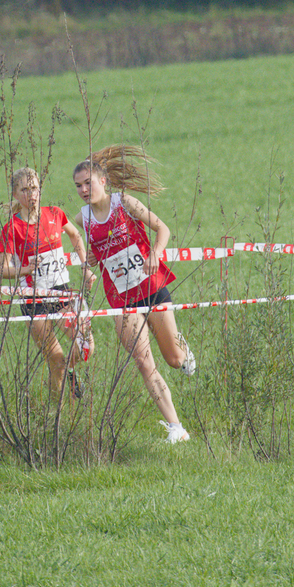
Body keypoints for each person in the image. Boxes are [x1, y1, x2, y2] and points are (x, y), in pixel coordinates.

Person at [73, 145, 196, 444]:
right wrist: (89, 259)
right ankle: (176, 428)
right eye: (78, 186)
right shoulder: (82, 219)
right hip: (121, 300)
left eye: (89, 183)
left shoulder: (124, 202)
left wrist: (156, 252)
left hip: (151, 287)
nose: (84, 190)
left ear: (104, 181)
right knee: (143, 362)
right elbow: (90, 251)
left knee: (173, 359)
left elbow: (162, 228)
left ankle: (183, 350)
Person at [0, 167, 92, 399]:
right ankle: (54, 413)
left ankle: (70, 370)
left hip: (62, 295)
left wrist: (85, 267)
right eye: (25, 190)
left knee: (86, 347)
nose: (32, 194)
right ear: (16, 195)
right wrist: (27, 269)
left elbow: (75, 235)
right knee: (56, 360)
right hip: (33, 299)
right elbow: (0, 270)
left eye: (35, 188)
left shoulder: (55, 214)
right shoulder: (12, 229)